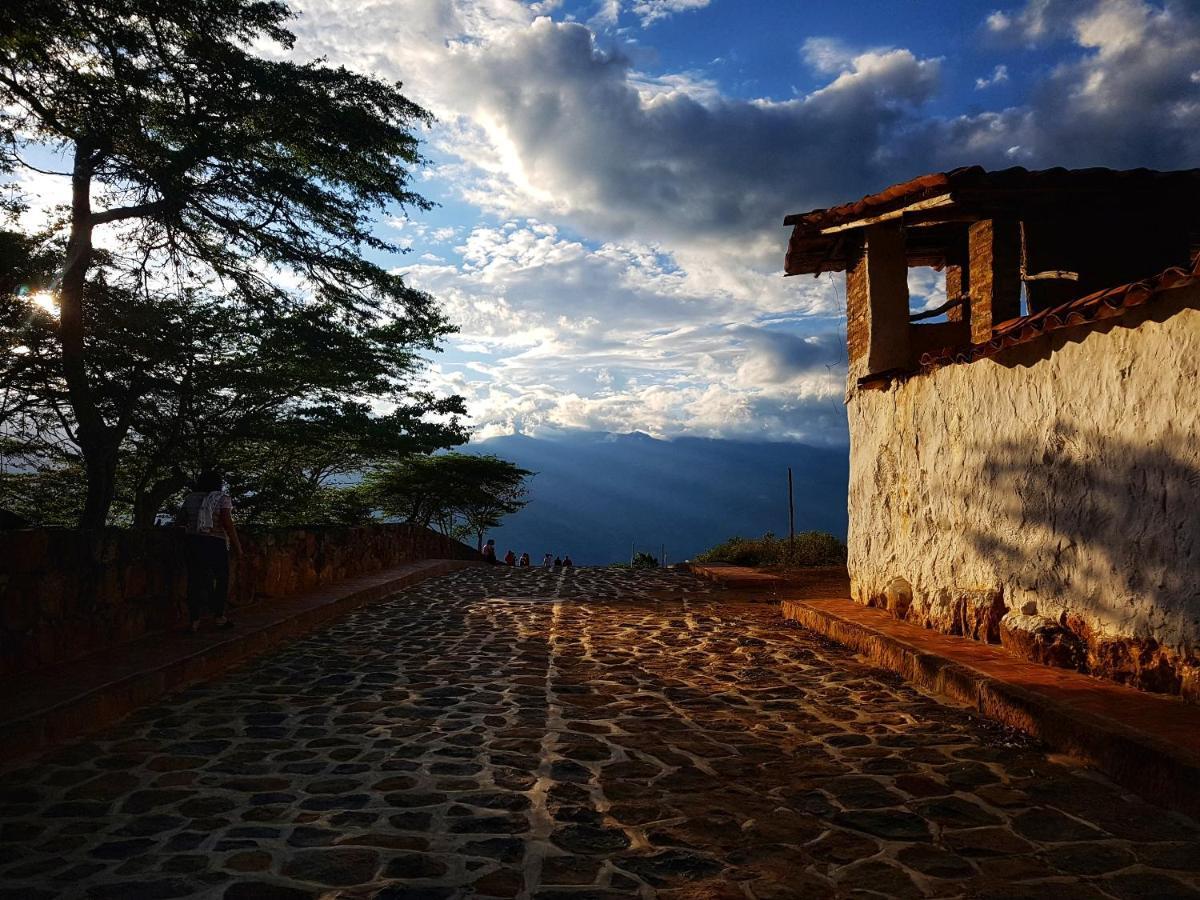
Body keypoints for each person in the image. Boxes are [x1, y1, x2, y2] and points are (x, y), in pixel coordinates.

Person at [179, 470, 241, 633]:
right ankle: (219, 617)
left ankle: (194, 621)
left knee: (194, 581)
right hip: (216, 543)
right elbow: (227, 523)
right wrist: (237, 546)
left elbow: (182, 520)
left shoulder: (190, 498)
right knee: (221, 579)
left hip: (193, 542)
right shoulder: (222, 499)